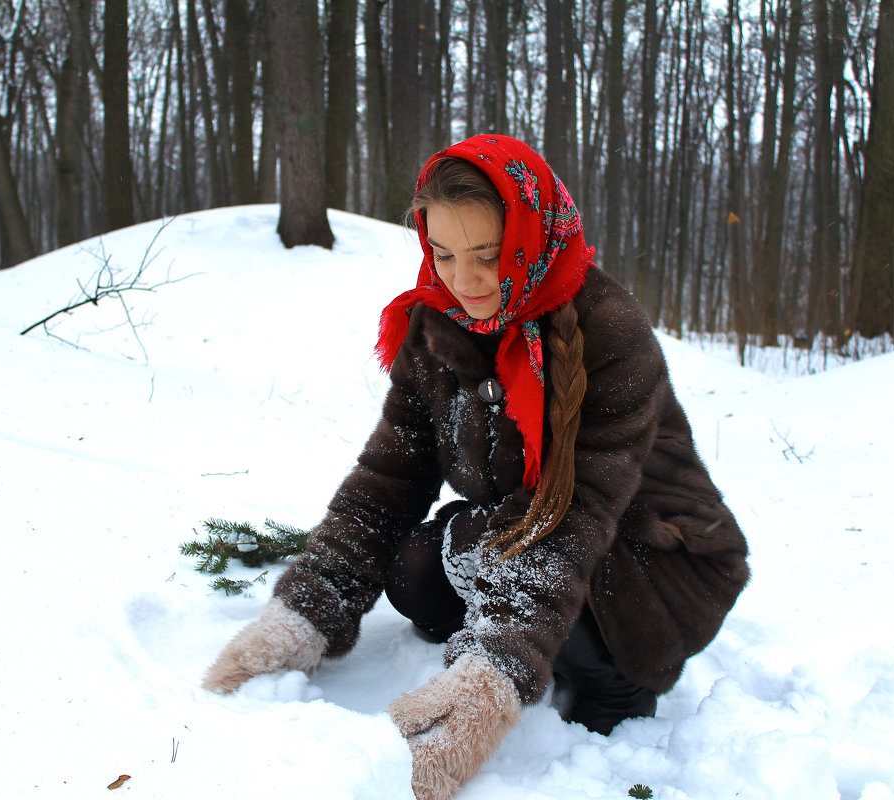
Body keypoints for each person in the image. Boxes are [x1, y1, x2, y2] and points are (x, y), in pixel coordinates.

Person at [202, 135, 750, 800]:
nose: (462, 281)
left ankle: (615, 687)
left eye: (488, 256)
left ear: (529, 236)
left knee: (539, 590)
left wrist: (493, 674)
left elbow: (578, 515)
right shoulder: (437, 327)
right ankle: (521, 626)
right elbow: (387, 482)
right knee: (415, 568)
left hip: (649, 557)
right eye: (443, 254)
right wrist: (306, 613)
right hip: (526, 528)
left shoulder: (608, 332)